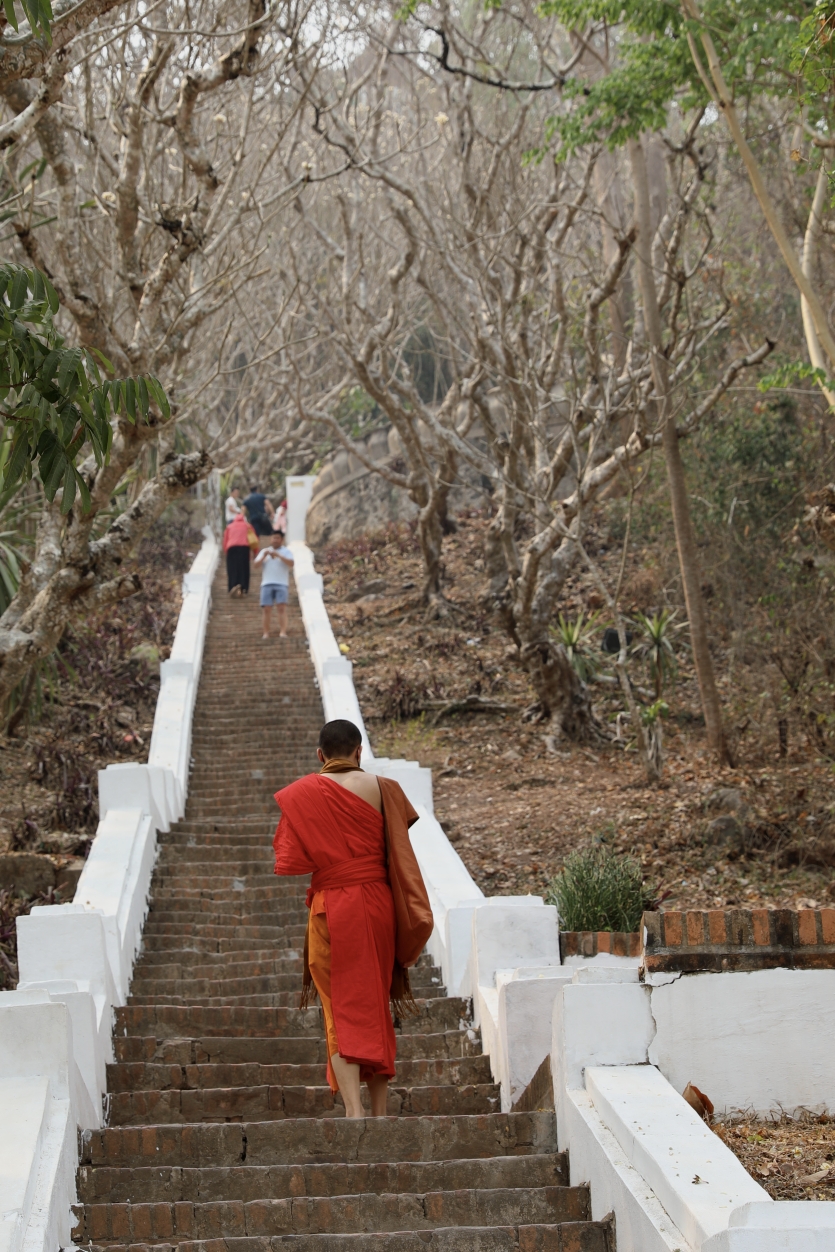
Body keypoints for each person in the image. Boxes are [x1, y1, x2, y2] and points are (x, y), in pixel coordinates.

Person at [273, 719, 432, 1118]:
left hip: (330, 909)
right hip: (377, 906)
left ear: (320, 755)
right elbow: (398, 849)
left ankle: (353, 1112)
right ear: (359, 752)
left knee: (337, 1008)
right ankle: (379, 1112)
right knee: (375, 1002)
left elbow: (291, 860)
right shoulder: (386, 790)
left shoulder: (303, 794)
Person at [254, 531, 294, 638]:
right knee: (266, 609)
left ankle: (283, 632)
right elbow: (256, 565)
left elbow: (291, 563)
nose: (275, 540)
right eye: (273, 538)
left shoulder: (286, 551)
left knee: (281, 608)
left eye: (278, 538)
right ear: (270, 539)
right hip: (266, 583)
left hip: (282, 583)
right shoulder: (264, 551)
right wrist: (264, 556)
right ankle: (266, 633)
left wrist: (279, 555)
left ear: (282, 540)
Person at [222, 512, 257, 596]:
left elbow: (225, 540)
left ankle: (233, 585)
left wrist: (226, 551)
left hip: (232, 548)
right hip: (244, 548)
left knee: (232, 568)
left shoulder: (229, 527)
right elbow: (254, 539)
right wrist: (255, 552)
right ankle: (243, 587)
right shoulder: (247, 526)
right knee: (244, 568)